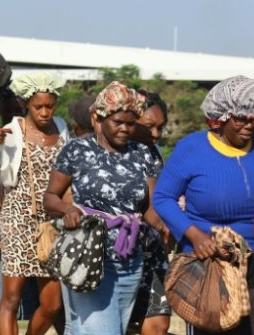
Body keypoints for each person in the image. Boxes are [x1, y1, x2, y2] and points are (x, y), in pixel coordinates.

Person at [153, 75, 254, 335]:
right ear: (222, 117)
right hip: (209, 263)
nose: (250, 125)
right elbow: (163, 198)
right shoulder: (192, 148)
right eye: (242, 118)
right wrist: (193, 234)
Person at [44, 82, 160, 335]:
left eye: (131, 124)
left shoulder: (143, 154)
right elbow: (50, 197)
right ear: (99, 117)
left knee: (100, 329)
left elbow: (151, 208)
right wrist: (68, 210)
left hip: (130, 260)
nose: (125, 129)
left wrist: (172, 223)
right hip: (89, 254)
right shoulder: (76, 150)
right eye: (118, 122)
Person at [0, 72, 69, 335]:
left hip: (50, 223)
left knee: (52, 304)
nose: (45, 112)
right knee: (11, 298)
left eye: (50, 105)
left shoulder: (62, 127)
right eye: (39, 106)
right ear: (27, 104)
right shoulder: (12, 131)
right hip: (17, 218)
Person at [128, 91, 171, 335]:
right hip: (122, 251)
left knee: (157, 323)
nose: (156, 134)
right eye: (149, 126)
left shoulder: (154, 153)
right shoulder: (112, 154)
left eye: (160, 127)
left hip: (153, 252)